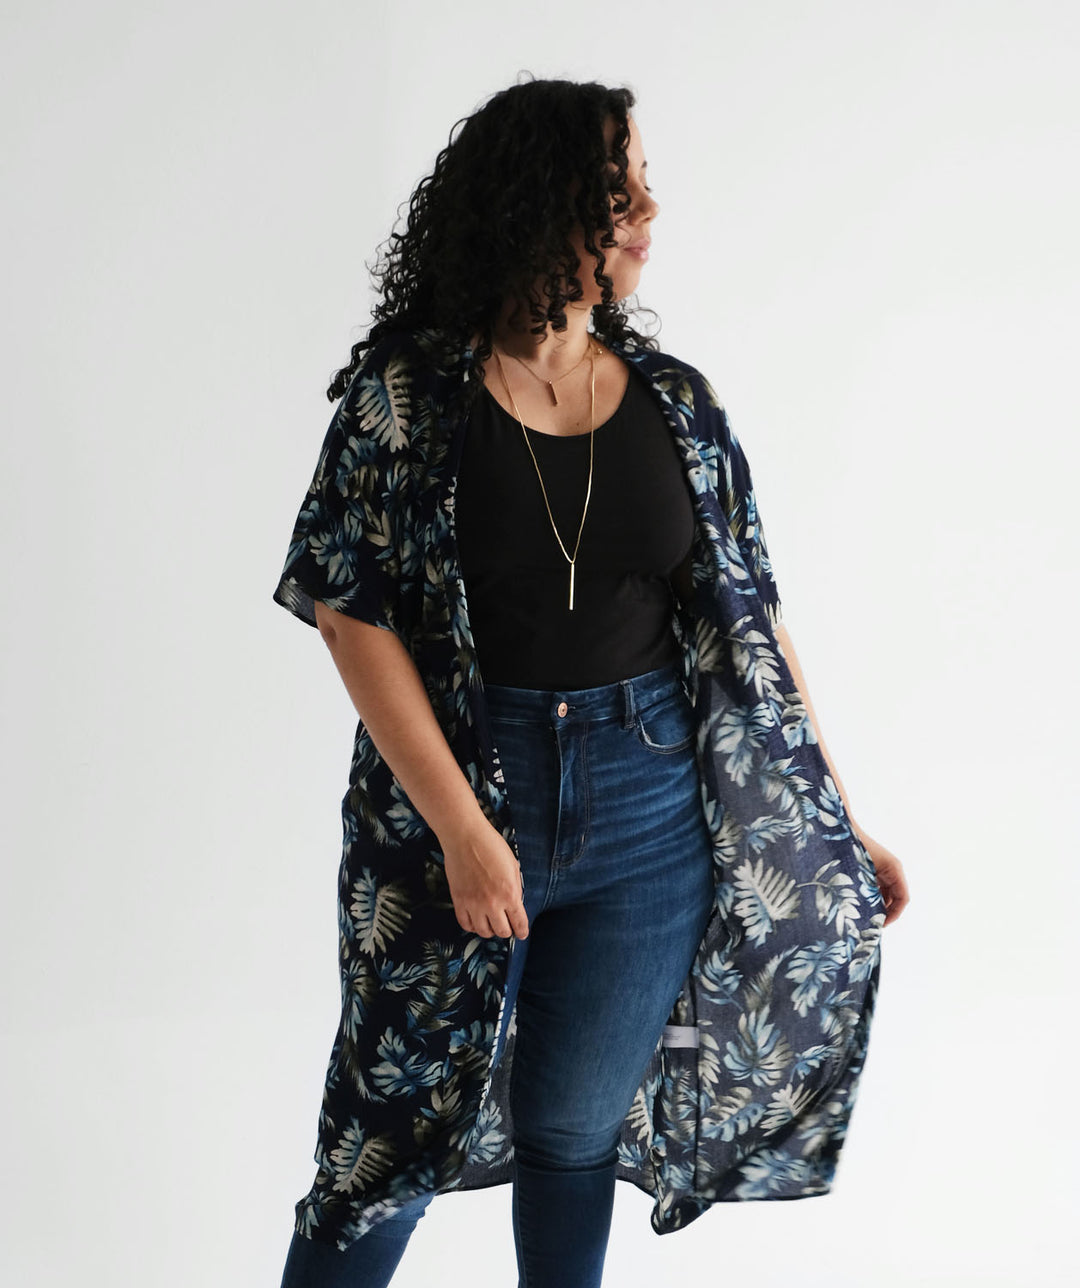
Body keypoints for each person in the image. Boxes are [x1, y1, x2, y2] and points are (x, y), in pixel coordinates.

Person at [272, 76, 910, 1288]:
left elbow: (755, 633)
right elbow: (351, 618)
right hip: (466, 796)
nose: (649, 212)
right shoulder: (410, 395)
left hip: (648, 811)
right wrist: (463, 830)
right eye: (620, 191)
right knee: (387, 1142)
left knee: (572, 1133)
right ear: (535, 205)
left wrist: (837, 816)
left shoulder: (676, 403)